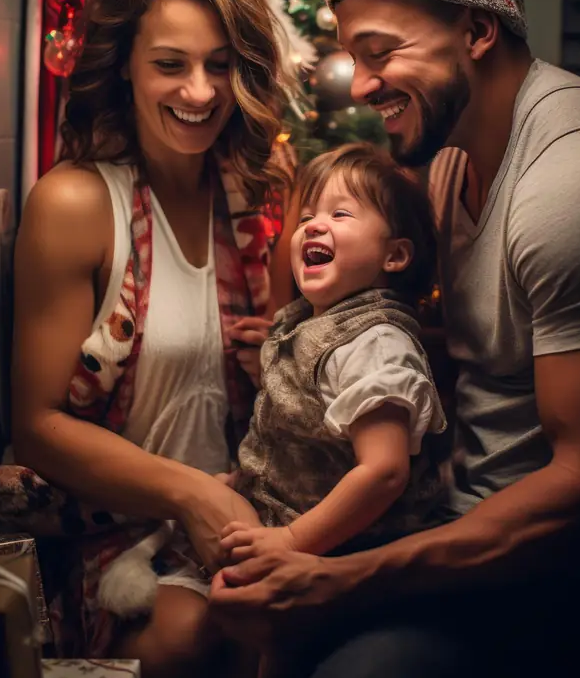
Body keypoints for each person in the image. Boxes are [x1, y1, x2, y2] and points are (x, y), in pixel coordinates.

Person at [208, 0, 580, 678]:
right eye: (354, 56)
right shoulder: (456, 154)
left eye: (381, 51)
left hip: (536, 566)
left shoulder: (565, 188)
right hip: (448, 518)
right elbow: (465, 348)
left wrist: (349, 580)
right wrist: (320, 348)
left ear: (477, 28)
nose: (363, 82)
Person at [10, 0, 297, 678]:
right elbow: (34, 426)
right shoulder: (75, 203)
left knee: (278, 625)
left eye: (221, 64)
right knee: (199, 625)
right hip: (115, 533)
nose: (200, 92)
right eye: (171, 63)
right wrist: (193, 497)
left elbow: (293, 400)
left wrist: (274, 369)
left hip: (254, 519)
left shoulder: (265, 200)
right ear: (125, 65)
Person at [99, 143, 446, 632]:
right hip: (302, 526)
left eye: (341, 213)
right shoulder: (309, 324)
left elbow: (384, 471)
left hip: (354, 550)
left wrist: (291, 542)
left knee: (253, 639)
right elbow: (312, 421)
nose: (313, 226)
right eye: (306, 217)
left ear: (395, 255)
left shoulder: (377, 343)